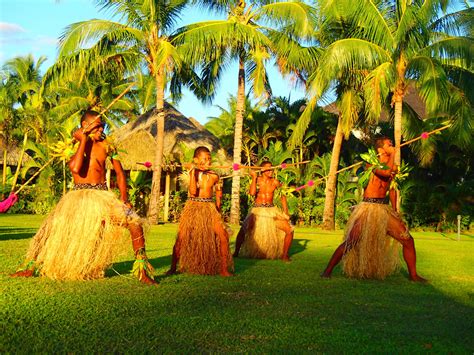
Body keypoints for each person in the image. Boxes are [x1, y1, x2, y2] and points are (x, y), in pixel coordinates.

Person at [12, 110, 156, 285]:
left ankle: (142, 270)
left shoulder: (108, 146)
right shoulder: (72, 145)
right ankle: (30, 267)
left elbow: (119, 173)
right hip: (77, 197)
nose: (101, 129)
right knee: (48, 229)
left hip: (103, 196)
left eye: (102, 126)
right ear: (84, 126)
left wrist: (124, 198)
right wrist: (82, 141)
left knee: (134, 223)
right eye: (97, 126)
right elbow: (76, 168)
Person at [321, 136, 426, 281]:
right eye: (389, 144)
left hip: (383, 208)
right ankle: (327, 270)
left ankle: (414, 275)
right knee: (351, 241)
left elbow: (393, 188)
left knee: (408, 240)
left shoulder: (393, 167)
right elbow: (385, 173)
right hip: (368, 208)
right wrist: (394, 153)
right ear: (381, 149)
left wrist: (395, 210)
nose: (393, 146)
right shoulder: (370, 164)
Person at [167, 146, 233, 276]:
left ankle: (224, 269)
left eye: (209, 159)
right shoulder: (193, 174)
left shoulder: (214, 175)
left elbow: (218, 194)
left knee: (223, 236)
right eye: (204, 159)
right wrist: (192, 172)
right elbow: (193, 191)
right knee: (181, 238)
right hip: (193, 207)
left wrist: (218, 210)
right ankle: (173, 268)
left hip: (209, 208)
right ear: (196, 160)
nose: (208, 162)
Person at [233, 161, 294, 261]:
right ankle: (236, 252)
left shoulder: (275, 182)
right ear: (262, 170)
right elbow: (252, 193)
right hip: (257, 210)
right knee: (244, 229)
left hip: (272, 210)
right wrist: (253, 177)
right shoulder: (257, 180)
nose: (271, 170)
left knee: (289, 229)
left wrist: (285, 211)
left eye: (272, 168)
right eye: (268, 168)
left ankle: (284, 255)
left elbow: (283, 196)